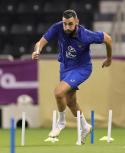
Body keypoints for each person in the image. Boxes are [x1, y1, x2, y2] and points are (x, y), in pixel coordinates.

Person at [32, 9, 112, 144]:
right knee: (70, 102)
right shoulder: (58, 27)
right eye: (65, 24)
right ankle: (85, 127)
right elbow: (40, 42)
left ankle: (61, 123)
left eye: (70, 24)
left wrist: (109, 58)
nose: (67, 27)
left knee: (58, 92)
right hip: (65, 67)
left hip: (82, 69)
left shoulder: (86, 35)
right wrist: (37, 50)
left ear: (77, 22)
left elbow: (108, 39)